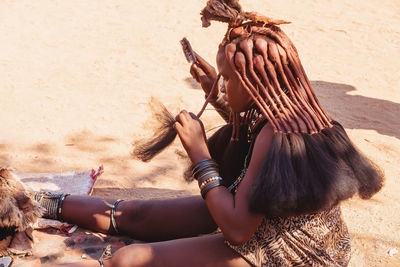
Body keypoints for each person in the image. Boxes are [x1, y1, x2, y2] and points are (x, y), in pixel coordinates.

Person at [36, 1, 383, 266]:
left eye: (227, 78)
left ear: (254, 83)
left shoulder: (278, 137)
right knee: (137, 215)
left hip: (292, 252)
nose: (221, 83)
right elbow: (248, 143)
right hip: (259, 216)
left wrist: (199, 154)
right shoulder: (287, 111)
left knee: (126, 260)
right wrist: (217, 97)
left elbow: (237, 231)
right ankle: (41, 203)